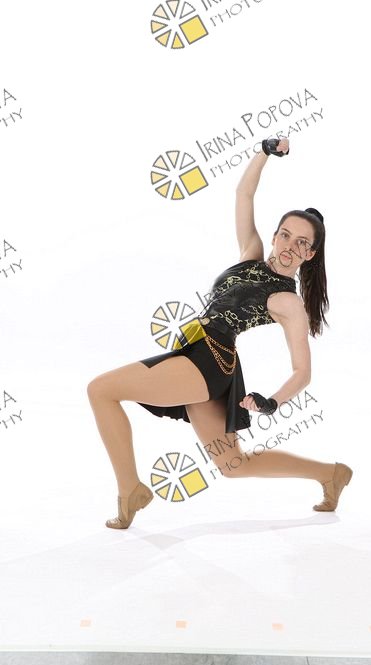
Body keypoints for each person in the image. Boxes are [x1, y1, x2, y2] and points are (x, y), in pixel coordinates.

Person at [87, 138, 352, 529]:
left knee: (101, 389)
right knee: (233, 464)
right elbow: (244, 194)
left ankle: (131, 489)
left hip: (208, 361)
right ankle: (331, 474)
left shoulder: (288, 301)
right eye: (285, 235)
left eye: (301, 243)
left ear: (310, 254)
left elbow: (303, 372)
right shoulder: (250, 253)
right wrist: (264, 152)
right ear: (275, 235)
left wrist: (272, 402)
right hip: (203, 356)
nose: (289, 247)